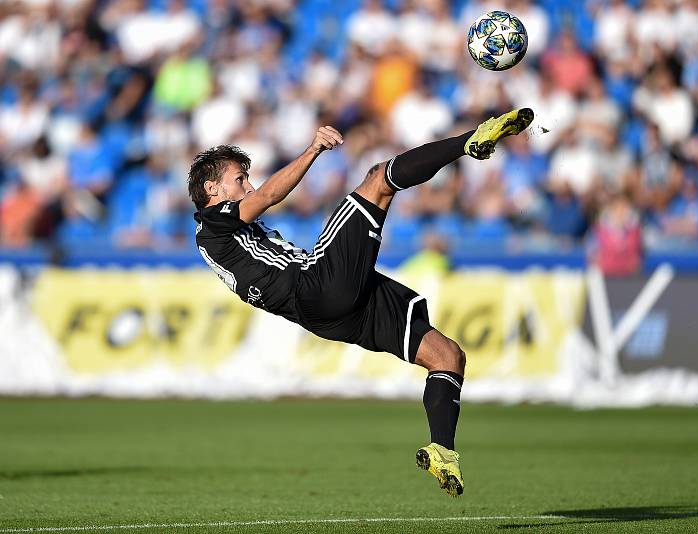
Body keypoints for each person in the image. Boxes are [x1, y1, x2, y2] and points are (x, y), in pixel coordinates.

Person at [188, 108, 535, 497]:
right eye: (240, 179)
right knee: (378, 180)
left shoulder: (222, 233)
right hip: (315, 286)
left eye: (248, 178)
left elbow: (262, 204)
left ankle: (443, 450)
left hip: (331, 316)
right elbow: (270, 194)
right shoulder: (213, 223)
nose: (249, 186)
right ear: (212, 191)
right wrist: (313, 149)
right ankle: (470, 140)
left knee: (447, 357)